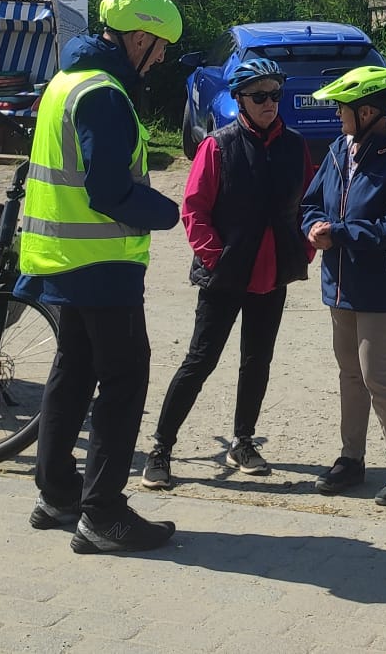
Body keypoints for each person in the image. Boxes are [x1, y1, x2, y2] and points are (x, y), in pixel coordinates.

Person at [17, 0, 184, 555]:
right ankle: (104, 513)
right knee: (124, 378)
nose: (160, 59)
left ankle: (57, 494)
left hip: (61, 258)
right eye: (160, 48)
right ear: (139, 39)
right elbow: (109, 191)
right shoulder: (105, 95)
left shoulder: (67, 81)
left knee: (73, 371)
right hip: (102, 263)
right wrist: (167, 212)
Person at [142, 57, 313, 489]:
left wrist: (305, 248)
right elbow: (194, 209)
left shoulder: (295, 146)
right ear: (239, 99)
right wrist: (215, 258)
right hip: (226, 275)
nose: (270, 103)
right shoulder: (218, 146)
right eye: (260, 96)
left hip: (272, 275)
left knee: (257, 361)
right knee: (200, 361)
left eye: (275, 94)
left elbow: (310, 204)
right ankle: (160, 449)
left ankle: (243, 442)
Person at [300, 64, 386, 506]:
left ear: (368, 111)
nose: (337, 115)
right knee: (350, 373)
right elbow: (312, 201)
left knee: (378, 374)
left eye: (342, 108)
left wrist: (340, 234)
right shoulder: (341, 147)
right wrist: (313, 225)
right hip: (340, 281)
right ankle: (351, 459)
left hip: (380, 283)